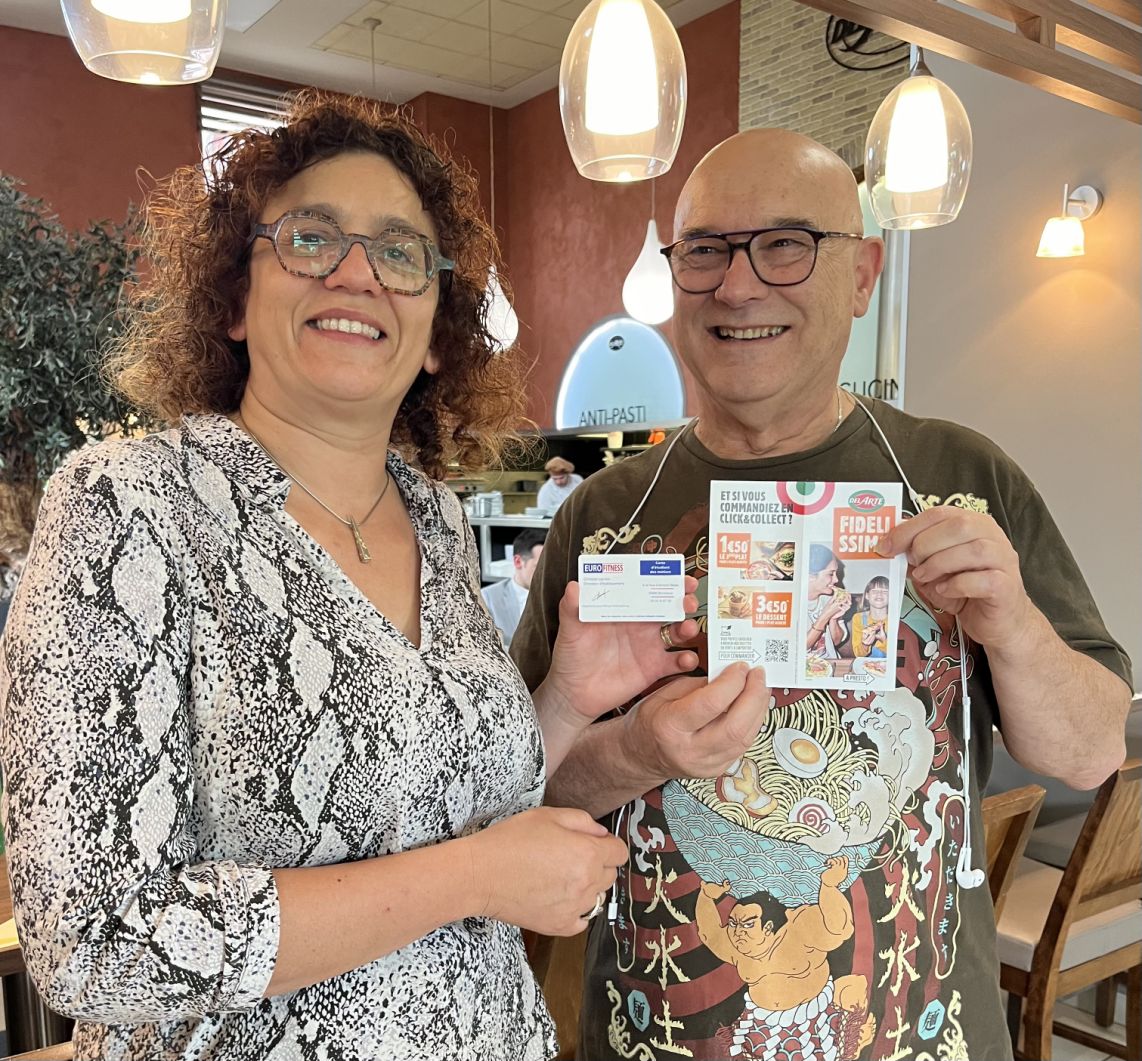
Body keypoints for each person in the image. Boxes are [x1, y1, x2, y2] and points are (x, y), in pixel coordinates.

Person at [0, 92, 721, 1060]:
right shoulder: (129, 503)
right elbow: (90, 941)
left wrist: (568, 695)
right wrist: (473, 878)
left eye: (399, 251)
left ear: (436, 332)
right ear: (233, 299)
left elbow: (447, 792)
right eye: (310, 237)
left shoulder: (434, 516)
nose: (356, 272)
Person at [512, 127, 1132, 1060]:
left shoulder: (961, 478)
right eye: (706, 250)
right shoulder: (603, 514)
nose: (738, 285)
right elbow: (519, 789)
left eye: (786, 244)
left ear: (863, 275)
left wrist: (1013, 626)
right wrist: (634, 751)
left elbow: (1088, 754)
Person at [481, 527, 546, 649]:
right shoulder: (487, 598)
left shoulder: (559, 596)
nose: (546, 574)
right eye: (540, 567)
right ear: (518, 562)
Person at [806, 543, 849, 658]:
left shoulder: (830, 599)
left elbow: (836, 642)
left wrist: (833, 618)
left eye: (836, 573)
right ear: (810, 576)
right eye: (831, 574)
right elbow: (799, 647)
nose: (836, 579)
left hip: (830, 663)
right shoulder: (790, 602)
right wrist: (825, 616)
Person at [852, 574, 890, 658]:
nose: (879, 594)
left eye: (885, 591)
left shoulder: (895, 620)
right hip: (866, 663)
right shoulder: (858, 618)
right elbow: (858, 654)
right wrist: (865, 644)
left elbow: (899, 654)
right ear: (867, 595)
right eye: (875, 591)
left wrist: (884, 641)